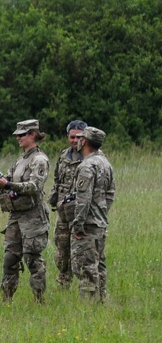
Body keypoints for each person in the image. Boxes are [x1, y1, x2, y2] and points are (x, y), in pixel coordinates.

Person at [0, 119, 51, 303]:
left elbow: (35, 186)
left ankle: (39, 299)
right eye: (17, 135)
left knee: (32, 258)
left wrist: (8, 184)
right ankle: (6, 299)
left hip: (33, 216)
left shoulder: (39, 160)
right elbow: (8, 179)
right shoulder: (21, 160)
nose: (18, 138)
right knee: (10, 258)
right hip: (15, 216)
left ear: (33, 134)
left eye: (22, 134)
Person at [70, 127, 116, 302]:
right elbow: (111, 194)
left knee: (84, 267)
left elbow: (83, 198)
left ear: (85, 142)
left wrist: (78, 224)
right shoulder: (106, 163)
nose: (77, 141)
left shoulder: (87, 166)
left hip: (87, 225)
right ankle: (101, 300)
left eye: (80, 138)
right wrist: (102, 212)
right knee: (99, 266)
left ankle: (88, 307)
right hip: (100, 223)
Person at [47, 120, 87, 289]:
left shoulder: (91, 157)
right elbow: (57, 179)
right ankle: (63, 283)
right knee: (61, 250)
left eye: (79, 137)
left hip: (82, 213)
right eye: (72, 137)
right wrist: (54, 198)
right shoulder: (64, 156)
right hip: (64, 212)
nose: (75, 140)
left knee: (82, 252)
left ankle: (86, 286)